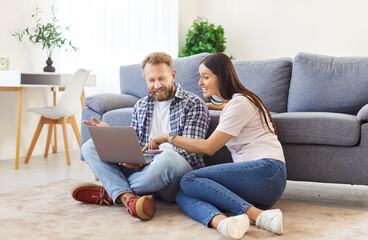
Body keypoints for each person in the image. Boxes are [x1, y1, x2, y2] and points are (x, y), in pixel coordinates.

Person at [145, 53, 286, 239]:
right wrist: (209, 106)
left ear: (222, 76)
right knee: (182, 193)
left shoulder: (240, 103)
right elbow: (225, 106)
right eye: (200, 76)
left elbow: (209, 147)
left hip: (267, 172)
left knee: (188, 180)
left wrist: (168, 137)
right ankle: (223, 222)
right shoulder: (237, 102)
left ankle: (259, 216)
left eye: (206, 77)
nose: (200, 83)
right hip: (261, 186)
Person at [72, 52, 210, 221]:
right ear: (145, 79)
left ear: (173, 76)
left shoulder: (194, 104)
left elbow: (191, 153)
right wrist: (111, 135)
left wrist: (144, 161)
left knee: (169, 158)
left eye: (162, 78)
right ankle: (129, 198)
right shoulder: (141, 105)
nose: (157, 85)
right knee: (89, 146)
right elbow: (136, 145)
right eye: (151, 80)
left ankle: (113, 192)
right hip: (144, 171)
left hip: (174, 176)